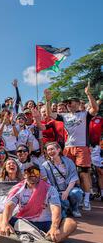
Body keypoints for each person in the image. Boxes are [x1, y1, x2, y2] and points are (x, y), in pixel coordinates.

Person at [0, 165, 77, 243]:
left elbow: (55, 209)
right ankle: (13, 237)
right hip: (24, 223)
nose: (33, 174)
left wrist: (54, 227)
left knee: (71, 223)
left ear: (40, 174)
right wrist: (5, 223)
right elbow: (9, 206)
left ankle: (48, 241)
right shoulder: (18, 188)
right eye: (29, 172)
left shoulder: (50, 189)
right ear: (24, 174)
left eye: (36, 172)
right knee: (0, 217)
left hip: (46, 223)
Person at [45, 83, 99, 211]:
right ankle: (75, 198)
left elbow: (95, 109)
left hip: (82, 147)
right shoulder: (64, 116)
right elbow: (49, 114)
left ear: (76, 103)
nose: (68, 104)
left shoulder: (85, 114)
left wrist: (88, 94)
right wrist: (48, 100)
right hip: (68, 148)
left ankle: (86, 200)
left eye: (71, 102)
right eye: (67, 103)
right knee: (69, 174)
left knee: (83, 174)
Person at [41, 142, 84, 218]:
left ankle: (74, 209)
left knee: (77, 193)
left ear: (58, 150)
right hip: (55, 190)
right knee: (63, 213)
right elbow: (46, 182)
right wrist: (56, 193)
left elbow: (73, 178)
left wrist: (67, 191)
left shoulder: (68, 161)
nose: (50, 152)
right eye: (48, 150)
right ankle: (65, 208)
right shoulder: (45, 165)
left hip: (69, 188)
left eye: (52, 149)